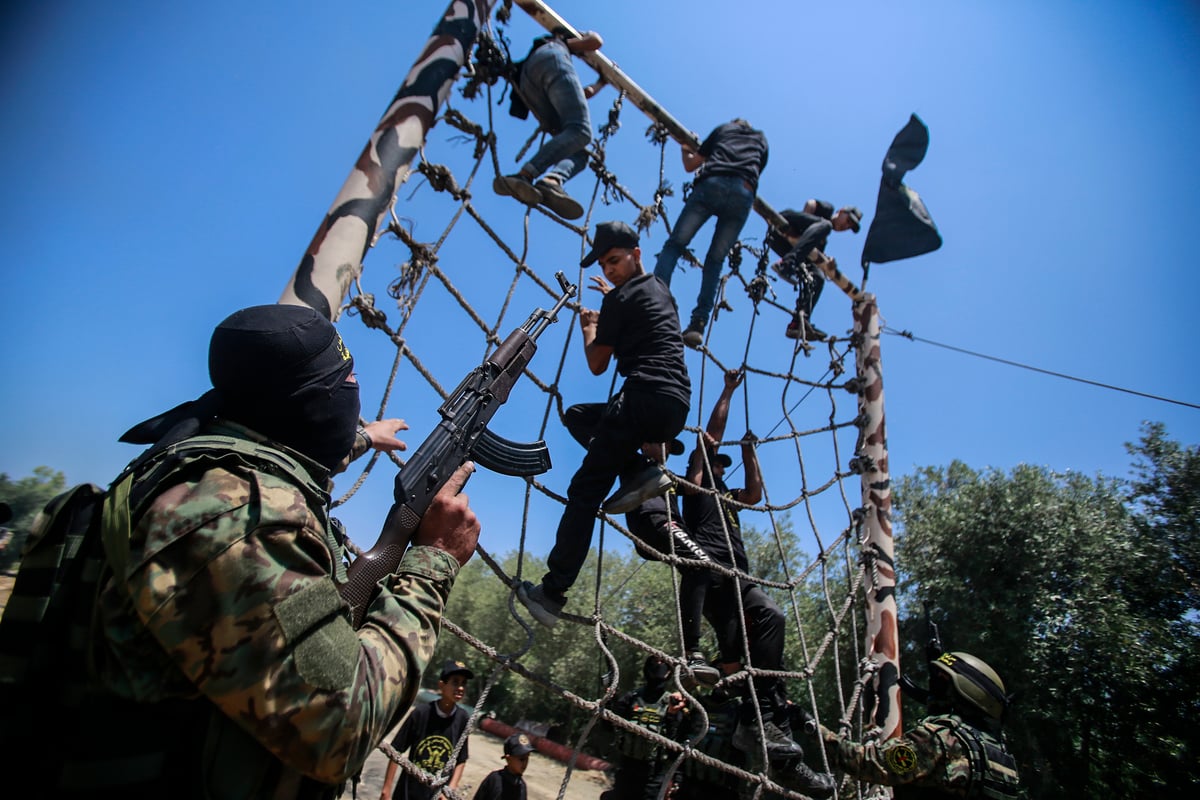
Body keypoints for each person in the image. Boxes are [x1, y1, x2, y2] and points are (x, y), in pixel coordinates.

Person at [6, 303, 481, 799]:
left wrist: (361, 438)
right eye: (348, 382)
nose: (354, 399)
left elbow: (287, 444)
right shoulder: (238, 520)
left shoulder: (198, 464)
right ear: (313, 403)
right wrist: (434, 561)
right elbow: (342, 725)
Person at [517, 221, 691, 628]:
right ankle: (638, 470)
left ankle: (552, 592)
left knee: (585, 491)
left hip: (641, 397)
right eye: (604, 264)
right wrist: (612, 302)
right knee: (579, 416)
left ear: (637, 252)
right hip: (675, 406)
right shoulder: (660, 290)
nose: (609, 270)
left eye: (615, 260)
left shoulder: (619, 301)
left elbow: (597, 364)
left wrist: (589, 326)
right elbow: (639, 314)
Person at [679, 368, 834, 798]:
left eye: (722, 465)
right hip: (709, 573)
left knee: (771, 616)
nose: (718, 467)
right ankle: (759, 722)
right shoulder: (695, 485)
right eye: (716, 462)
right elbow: (709, 439)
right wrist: (727, 391)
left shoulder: (728, 499)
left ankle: (763, 722)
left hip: (739, 578)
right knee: (736, 657)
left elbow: (755, 495)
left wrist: (749, 454)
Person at [817, 651, 1021, 798]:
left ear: (966, 691)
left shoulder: (940, 737)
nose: (934, 692)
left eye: (941, 685)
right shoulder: (998, 754)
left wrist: (811, 726)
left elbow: (871, 763)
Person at [653, 119, 769, 347]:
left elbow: (691, 164)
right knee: (715, 260)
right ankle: (698, 323)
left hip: (713, 182)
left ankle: (655, 298)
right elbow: (757, 169)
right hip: (744, 191)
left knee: (675, 245)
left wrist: (686, 149)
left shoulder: (724, 129)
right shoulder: (761, 138)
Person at [494, 29, 605, 220]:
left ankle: (552, 180)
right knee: (582, 131)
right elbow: (596, 41)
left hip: (529, 82)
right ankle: (527, 173)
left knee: (579, 151)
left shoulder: (547, 50)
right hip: (550, 59)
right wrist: (582, 38)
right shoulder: (560, 41)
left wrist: (601, 82)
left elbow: (583, 93)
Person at [765, 201, 862, 342]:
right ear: (841, 211)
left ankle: (798, 322)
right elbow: (811, 203)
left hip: (786, 246)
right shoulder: (827, 213)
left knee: (818, 276)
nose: (845, 226)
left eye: (849, 226)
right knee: (826, 226)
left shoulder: (820, 238)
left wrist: (825, 261)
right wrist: (805, 225)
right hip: (787, 222)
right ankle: (787, 264)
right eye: (847, 221)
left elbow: (811, 253)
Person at [379, 659, 476, 800]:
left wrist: (450, 789)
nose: (460, 688)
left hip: (437, 795)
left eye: (463, 683)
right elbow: (396, 751)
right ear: (441, 685)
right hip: (409, 793)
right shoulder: (421, 713)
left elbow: (461, 759)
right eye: (455, 682)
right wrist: (386, 790)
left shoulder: (462, 718)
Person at [602, 655, 691, 800]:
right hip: (627, 769)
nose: (658, 665)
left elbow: (677, 743)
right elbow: (608, 727)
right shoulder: (631, 697)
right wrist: (609, 702)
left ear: (669, 672)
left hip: (654, 774)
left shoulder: (673, 703)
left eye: (663, 663)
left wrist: (671, 715)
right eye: (654, 662)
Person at [472, 733, 534, 800]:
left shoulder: (521, 786)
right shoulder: (494, 780)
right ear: (508, 759)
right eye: (521, 759)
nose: (525, 763)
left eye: (527, 758)